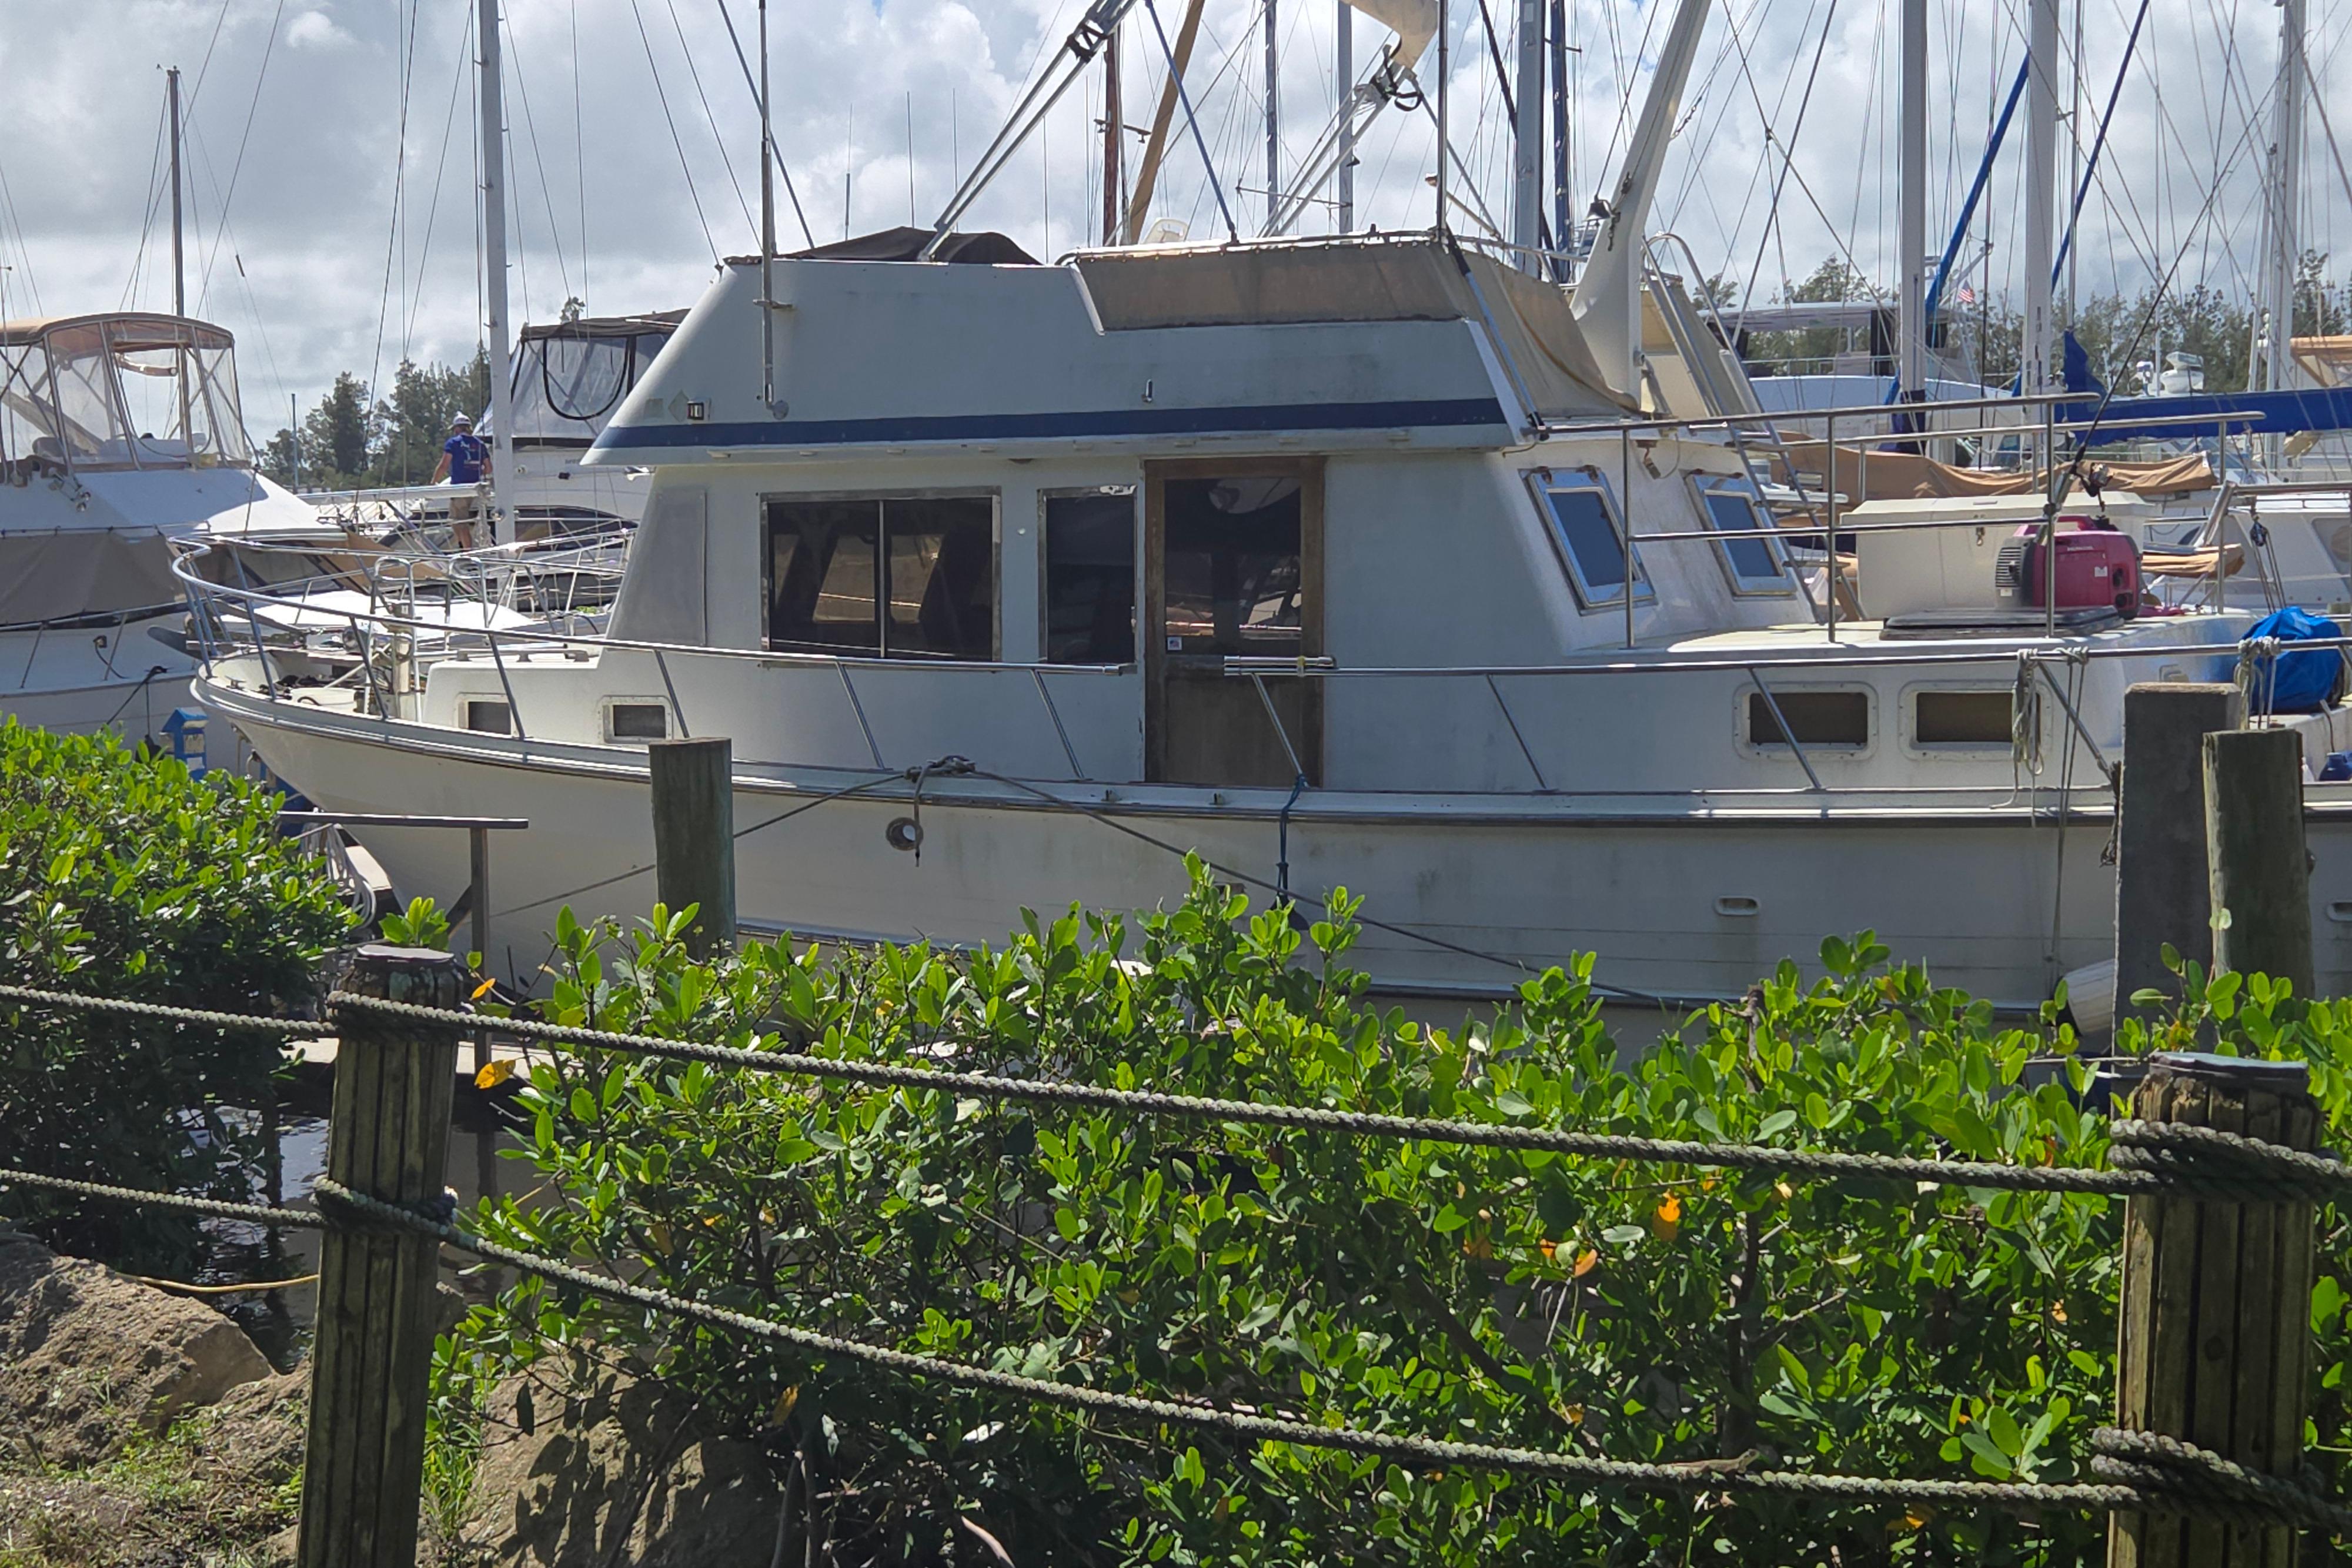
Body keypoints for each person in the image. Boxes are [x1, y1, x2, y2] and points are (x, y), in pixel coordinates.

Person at [432, 413, 490, 549]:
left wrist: (434, 482)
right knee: (457, 520)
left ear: (457, 429)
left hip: (460, 489)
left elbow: (444, 465)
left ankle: (467, 552)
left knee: (459, 522)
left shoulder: (454, 443)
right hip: (476, 489)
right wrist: (477, 473)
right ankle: (463, 547)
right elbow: (489, 468)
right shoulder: (480, 444)